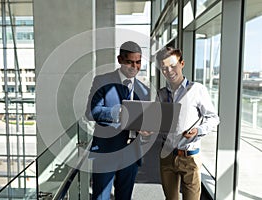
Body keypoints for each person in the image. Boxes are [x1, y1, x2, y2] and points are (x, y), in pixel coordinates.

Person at [85, 41, 150, 200]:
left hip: (131, 153)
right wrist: (120, 113)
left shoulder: (144, 90)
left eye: (138, 62)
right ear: (120, 59)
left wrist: (147, 130)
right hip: (106, 151)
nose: (134, 66)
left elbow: (144, 121)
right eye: (129, 62)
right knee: (101, 197)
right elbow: (91, 112)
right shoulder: (102, 81)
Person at [156, 46, 220, 200]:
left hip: (189, 157)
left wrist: (198, 130)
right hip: (167, 156)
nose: (169, 71)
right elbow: (157, 123)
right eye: (164, 68)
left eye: (173, 66)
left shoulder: (197, 89)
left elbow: (213, 118)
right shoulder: (161, 94)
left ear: (182, 64)